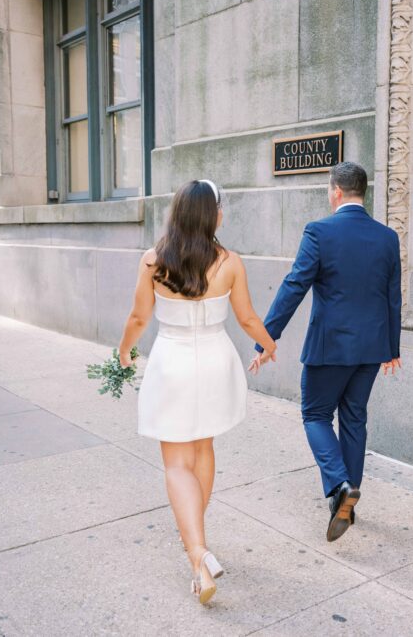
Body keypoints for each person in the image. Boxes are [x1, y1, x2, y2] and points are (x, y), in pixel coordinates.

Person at [117, 179, 277, 605]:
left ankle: (197, 552)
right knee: (202, 448)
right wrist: (270, 343)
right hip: (213, 359)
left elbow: (138, 316)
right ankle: (198, 556)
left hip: (173, 360)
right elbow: (246, 319)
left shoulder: (154, 261)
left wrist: (124, 351)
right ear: (213, 215)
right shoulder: (230, 262)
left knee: (175, 462)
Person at [250, 161, 402, 543]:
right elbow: (393, 298)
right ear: (361, 192)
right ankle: (346, 504)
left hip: (330, 346)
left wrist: (266, 340)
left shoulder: (319, 231)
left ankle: (339, 486)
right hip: (371, 348)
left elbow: (294, 286)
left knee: (315, 414)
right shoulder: (387, 237)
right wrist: (392, 349)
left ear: (335, 191)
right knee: (354, 419)